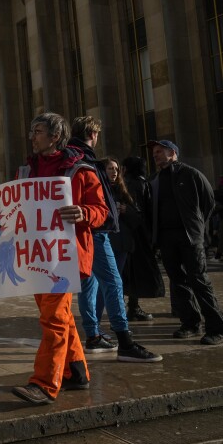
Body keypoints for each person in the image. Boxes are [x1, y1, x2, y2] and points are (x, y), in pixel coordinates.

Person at [0, 112, 108, 405]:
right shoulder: (25, 173)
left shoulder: (81, 171)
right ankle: (77, 371)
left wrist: (83, 213)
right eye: (32, 131)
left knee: (53, 319)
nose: (32, 137)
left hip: (65, 257)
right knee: (61, 318)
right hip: (35, 257)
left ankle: (44, 384)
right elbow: (17, 213)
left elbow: (101, 210)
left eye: (38, 131)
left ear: (55, 136)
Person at [70, 116, 161, 362]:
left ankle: (92, 336)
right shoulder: (85, 159)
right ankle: (125, 341)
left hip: (82, 232)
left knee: (89, 285)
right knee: (113, 282)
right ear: (93, 134)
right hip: (95, 232)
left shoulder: (71, 157)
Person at [148, 139, 223, 345]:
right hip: (166, 238)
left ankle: (216, 328)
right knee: (178, 282)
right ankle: (190, 323)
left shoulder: (191, 174)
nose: (155, 155)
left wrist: (197, 227)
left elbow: (208, 202)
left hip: (190, 236)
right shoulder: (154, 180)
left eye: (160, 151)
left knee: (199, 280)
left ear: (173, 153)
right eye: (154, 152)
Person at [120, 156, 165, 319]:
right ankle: (132, 308)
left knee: (130, 272)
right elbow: (141, 211)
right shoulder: (139, 183)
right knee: (134, 272)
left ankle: (132, 307)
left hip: (131, 234)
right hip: (138, 235)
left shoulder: (128, 183)